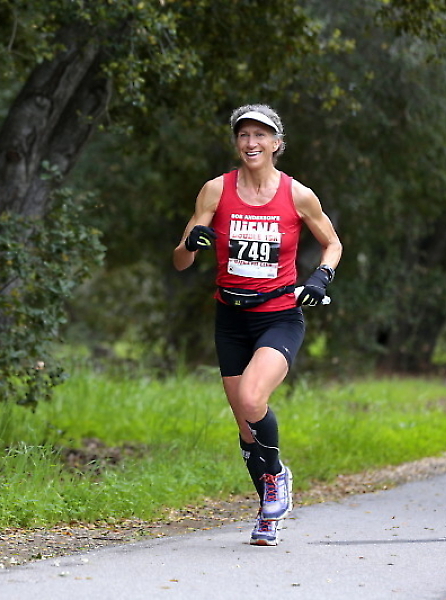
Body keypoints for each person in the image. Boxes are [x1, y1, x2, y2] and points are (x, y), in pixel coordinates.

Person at [173, 104, 342, 546]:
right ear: (237, 143)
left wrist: (321, 276)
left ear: (276, 143)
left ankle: (277, 476)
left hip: (279, 316)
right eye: (244, 135)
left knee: (252, 398)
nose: (251, 142)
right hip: (231, 318)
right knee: (245, 426)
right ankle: (269, 509)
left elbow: (333, 244)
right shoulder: (215, 190)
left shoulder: (297, 195)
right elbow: (180, 260)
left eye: (260, 135)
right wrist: (191, 243)